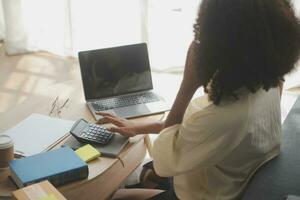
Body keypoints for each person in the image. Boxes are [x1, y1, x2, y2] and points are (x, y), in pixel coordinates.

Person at [97, 0, 300, 199]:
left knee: (121, 193)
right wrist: (138, 128)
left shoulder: (223, 116)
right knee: (145, 174)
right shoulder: (269, 82)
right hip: (229, 178)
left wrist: (187, 85)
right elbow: (197, 129)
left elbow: (162, 164)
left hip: (206, 192)